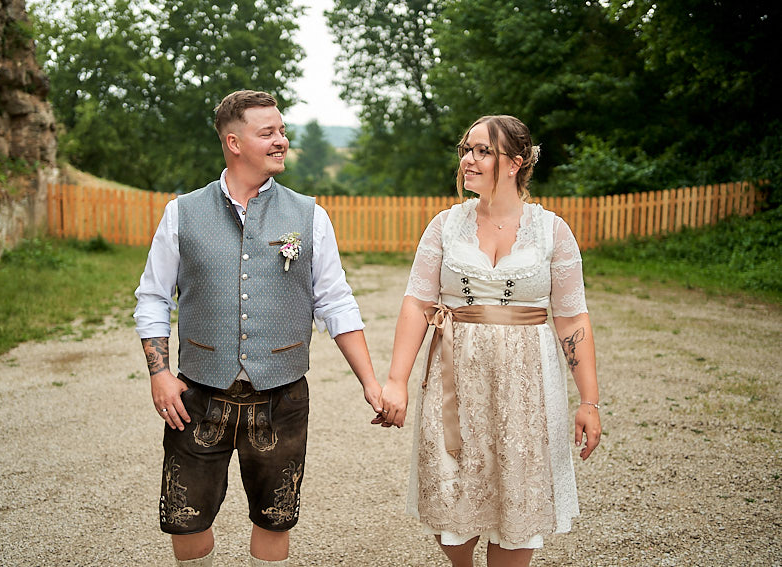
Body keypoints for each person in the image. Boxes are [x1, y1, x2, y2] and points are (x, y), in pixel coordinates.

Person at [134, 90, 383, 567]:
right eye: (267, 133)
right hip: (198, 396)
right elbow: (152, 296)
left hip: (282, 397)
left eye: (282, 131)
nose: (281, 141)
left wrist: (370, 382)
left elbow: (335, 301)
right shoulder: (181, 213)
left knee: (275, 517)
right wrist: (159, 372)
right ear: (233, 141)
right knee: (186, 517)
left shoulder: (310, 216)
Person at [377, 115, 601, 566]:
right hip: (455, 377)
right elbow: (417, 303)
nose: (469, 160)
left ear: (516, 163)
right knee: (450, 498)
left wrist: (589, 401)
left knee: (518, 498)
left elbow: (573, 317)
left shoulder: (552, 231)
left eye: (483, 151)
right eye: (467, 149)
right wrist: (396, 380)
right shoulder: (444, 226)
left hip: (528, 382)